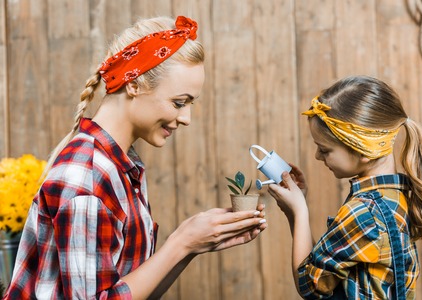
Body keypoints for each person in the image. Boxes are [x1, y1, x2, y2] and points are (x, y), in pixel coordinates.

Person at [3, 16, 267, 299]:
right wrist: (180, 243)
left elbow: (129, 292)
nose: (187, 118)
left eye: (190, 104)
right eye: (179, 102)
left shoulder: (123, 167)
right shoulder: (87, 180)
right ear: (134, 84)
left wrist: (193, 245)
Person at [268, 75, 422, 299]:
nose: (317, 156)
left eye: (325, 149)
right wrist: (296, 210)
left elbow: (310, 286)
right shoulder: (396, 198)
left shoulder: (362, 212)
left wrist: (299, 211)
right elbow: (323, 272)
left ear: (361, 150)